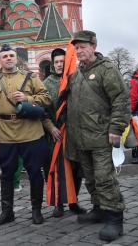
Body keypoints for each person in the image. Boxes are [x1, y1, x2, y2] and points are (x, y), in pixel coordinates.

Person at [66, 30, 130, 242]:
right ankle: (98, 208)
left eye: (83, 46)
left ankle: (114, 217)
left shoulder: (107, 69)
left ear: (94, 46)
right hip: (82, 139)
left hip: (102, 136)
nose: (79, 50)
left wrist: (116, 128)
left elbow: (120, 100)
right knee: (91, 179)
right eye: (77, 47)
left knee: (105, 179)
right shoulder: (75, 74)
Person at [0, 44, 51, 226]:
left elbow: (46, 98)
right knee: (6, 174)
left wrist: (28, 99)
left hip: (31, 133)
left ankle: (36, 211)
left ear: (16, 58)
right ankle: (7, 212)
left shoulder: (30, 77)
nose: (8, 58)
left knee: (34, 173)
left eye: (11, 55)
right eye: (5, 56)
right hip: (6, 135)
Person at [42, 48, 86, 217]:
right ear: (53, 64)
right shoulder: (46, 84)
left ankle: (74, 203)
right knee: (55, 170)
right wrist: (51, 128)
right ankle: (58, 204)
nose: (60, 65)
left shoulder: (75, 79)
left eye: (62, 61)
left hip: (74, 133)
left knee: (76, 169)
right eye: (56, 62)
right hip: (55, 134)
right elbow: (42, 111)